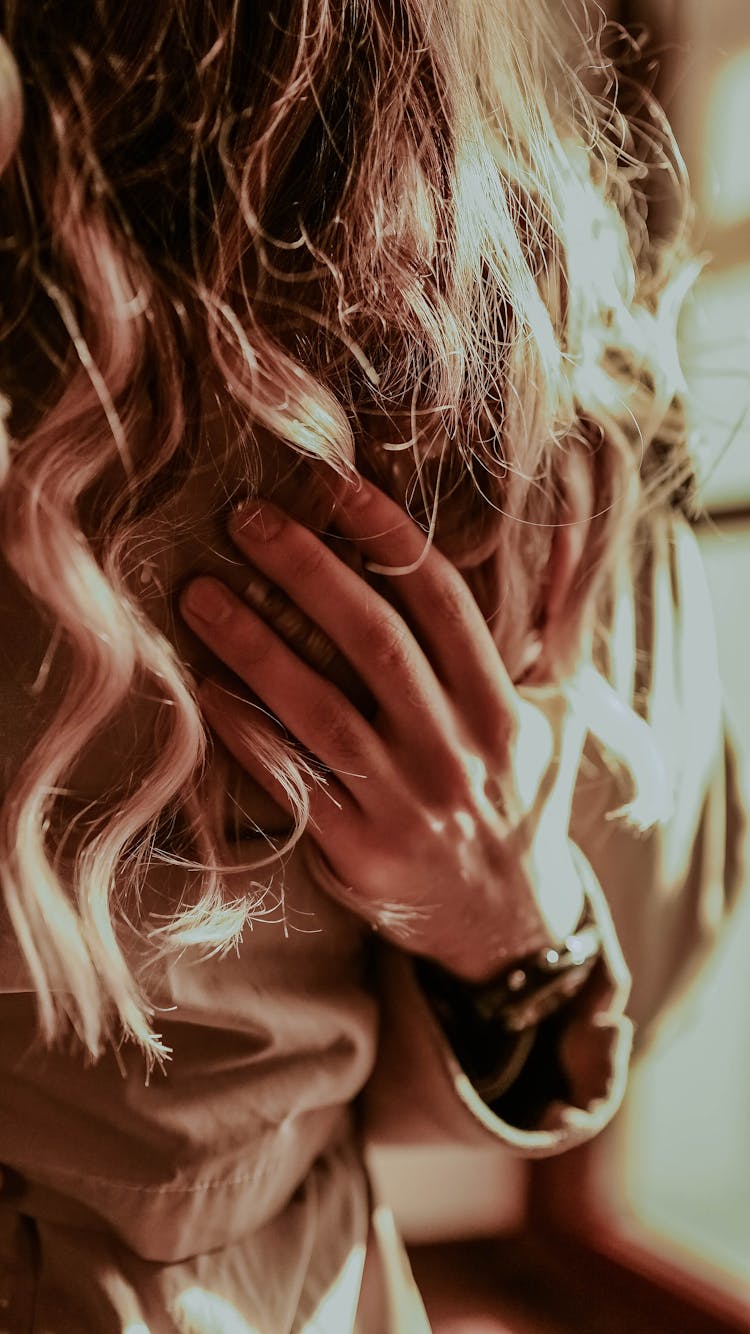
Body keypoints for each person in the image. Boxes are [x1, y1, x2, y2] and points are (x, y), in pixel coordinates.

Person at [0, 2, 742, 1329]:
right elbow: (619, 964)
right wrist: (514, 939)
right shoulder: (530, 372)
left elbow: (601, 971)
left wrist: (508, 926)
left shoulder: (532, 382)